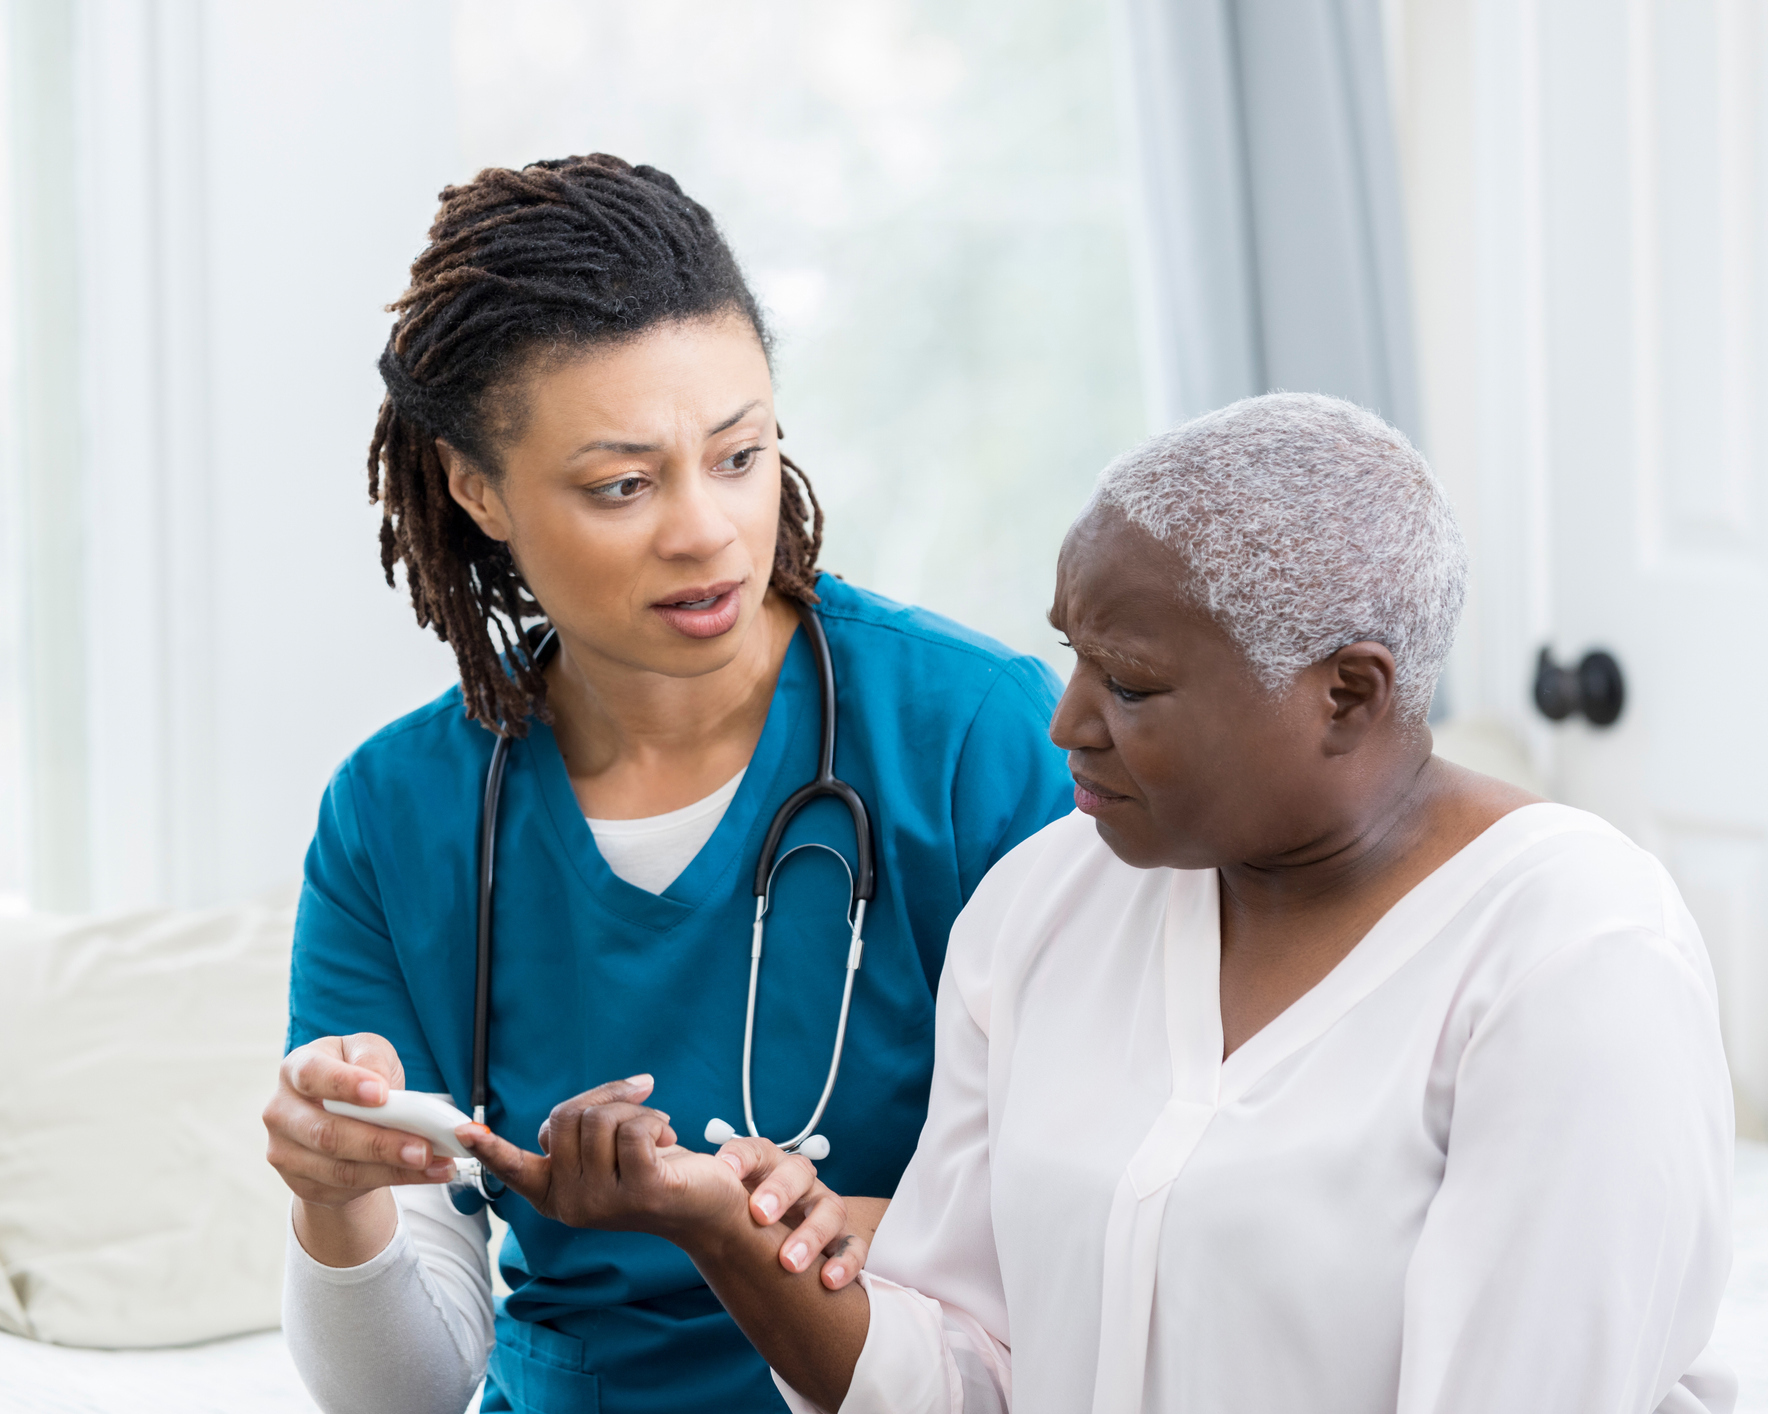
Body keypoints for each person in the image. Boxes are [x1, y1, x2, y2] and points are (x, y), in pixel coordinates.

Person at [460, 393, 1737, 1414]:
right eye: (1073, 652)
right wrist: (722, 1234)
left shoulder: (1571, 954)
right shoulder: (1045, 904)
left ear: (1347, 693)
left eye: (1129, 682)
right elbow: (961, 1372)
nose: (1067, 720)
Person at [261, 154, 1073, 1414]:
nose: (706, 530)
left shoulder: (975, 735)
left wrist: (844, 1221)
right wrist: (340, 1199)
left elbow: (1112, 1213)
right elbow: (403, 1393)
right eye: (622, 483)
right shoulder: (395, 815)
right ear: (479, 489)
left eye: (740, 454)